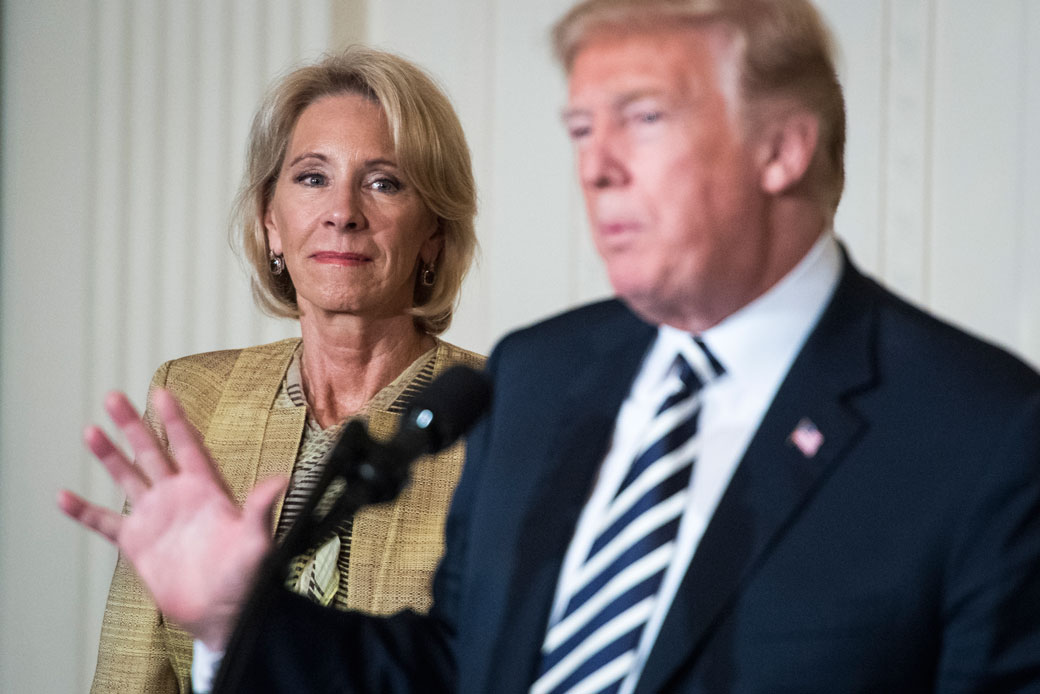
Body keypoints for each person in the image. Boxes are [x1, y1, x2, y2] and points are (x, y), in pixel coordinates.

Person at [62, 1, 1040, 692]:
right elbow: (449, 669)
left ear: (779, 145)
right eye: (580, 126)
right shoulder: (539, 378)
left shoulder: (981, 435)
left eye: (643, 119)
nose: (596, 166)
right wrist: (242, 620)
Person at [83, 46, 483, 694]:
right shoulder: (193, 401)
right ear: (271, 222)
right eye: (311, 177)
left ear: (434, 230)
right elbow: (133, 673)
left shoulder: (503, 419)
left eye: (384, 181)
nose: (343, 211)